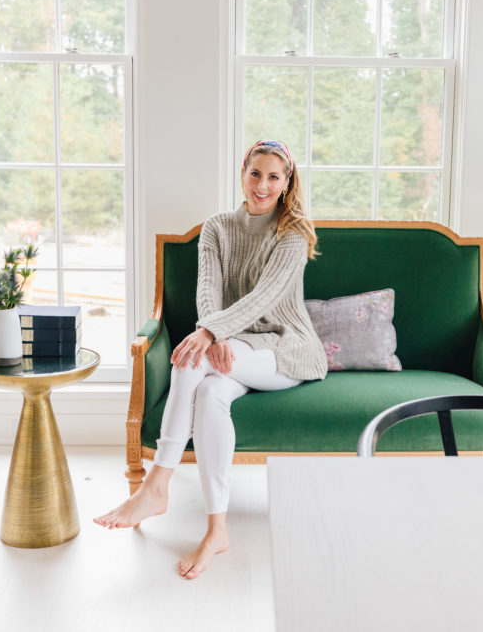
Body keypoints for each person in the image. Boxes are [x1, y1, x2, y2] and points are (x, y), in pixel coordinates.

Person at [95, 139, 327, 579]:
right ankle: (217, 529)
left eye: (274, 177)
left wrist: (212, 332)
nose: (262, 184)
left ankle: (155, 485)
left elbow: (263, 299)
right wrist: (212, 330)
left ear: (286, 182)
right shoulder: (218, 227)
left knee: (189, 360)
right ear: (243, 172)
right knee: (211, 390)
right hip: (234, 346)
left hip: (284, 349)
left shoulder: (293, 233)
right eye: (255, 173)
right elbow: (210, 290)